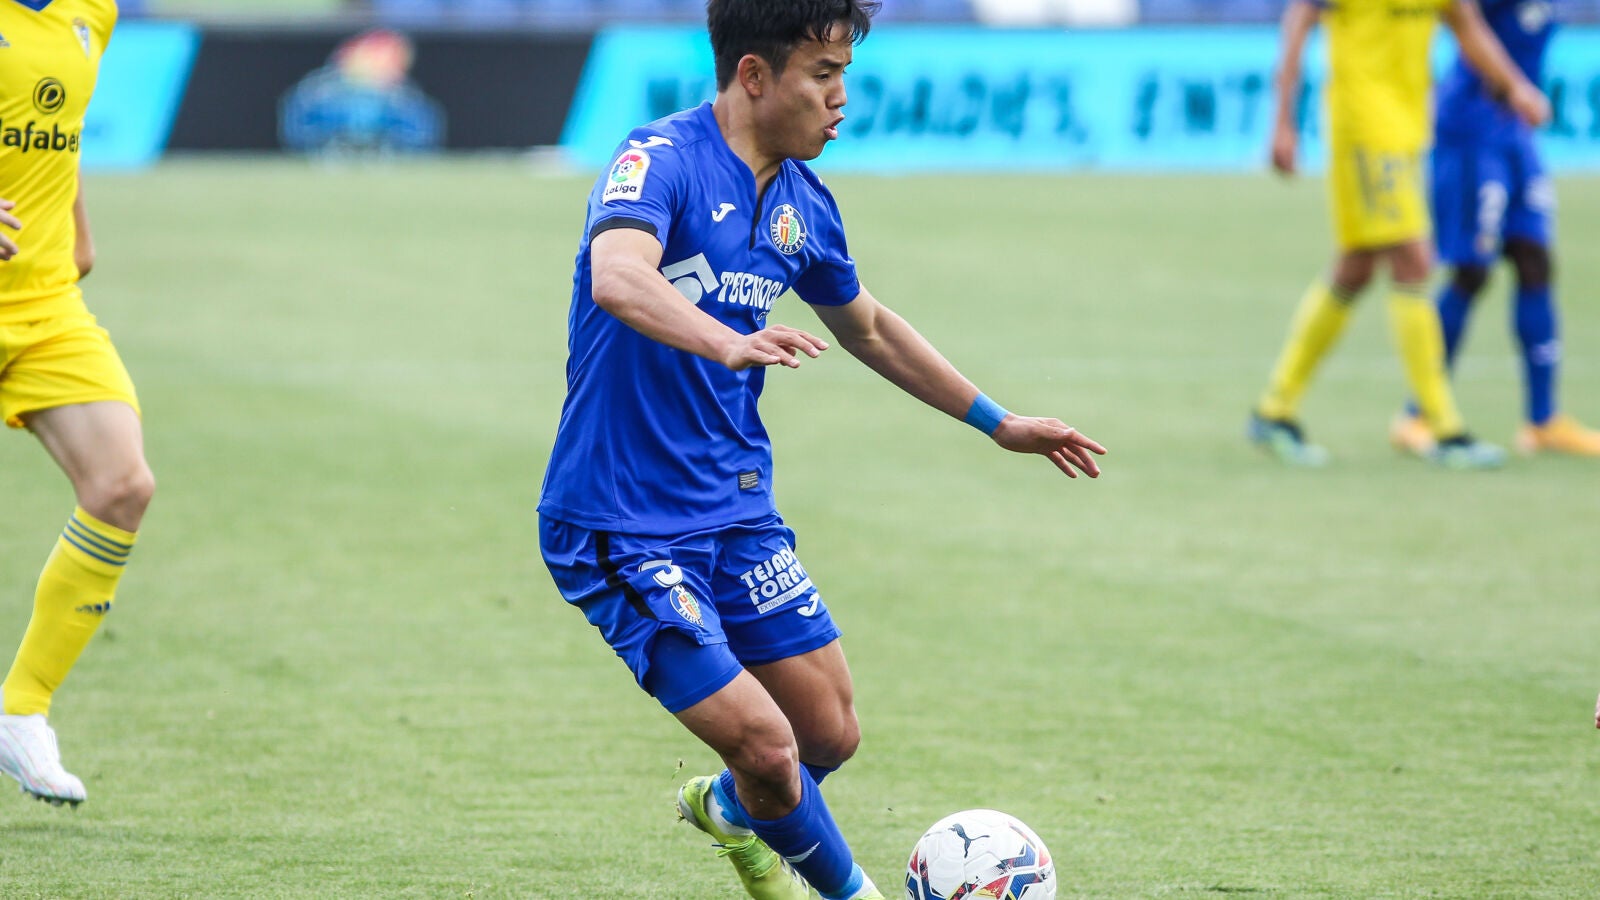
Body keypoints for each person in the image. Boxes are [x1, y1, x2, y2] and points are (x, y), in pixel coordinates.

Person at [536, 1, 1106, 897]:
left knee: (826, 735)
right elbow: (617, 277)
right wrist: (725, 340)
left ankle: (731, 810)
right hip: (621, 520)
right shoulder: (661, 159)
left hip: (735, 511)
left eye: (845, 76)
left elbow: (867, 327)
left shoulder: (803, 204)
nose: (842, 100)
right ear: (755, 76)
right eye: (825, 76)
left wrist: (998, 422)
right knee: (768, 744)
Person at [1247, 0, 1550, 469]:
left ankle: (1274, 408)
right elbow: (1300, 19)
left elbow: (1467, 25)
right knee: (1414, 258)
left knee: (1355, 267)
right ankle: (1443, 427)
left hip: (1409, 126)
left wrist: (1515, 87)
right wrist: (1283, 120)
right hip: (1362, 127)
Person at [0, 0, 155, 807]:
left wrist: (75, 226)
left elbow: (59, 129)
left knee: (121, 486)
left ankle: (21, 709)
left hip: (44, 307)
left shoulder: (91, 11)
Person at [1389, 0, 1600, 458]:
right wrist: (1513, 86)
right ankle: (1417, 414)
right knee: (1472, 270)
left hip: (1515, 131)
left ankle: (1543, 421)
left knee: (1534, 259)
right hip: (1472, 128)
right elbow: (1461, 19)